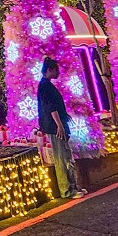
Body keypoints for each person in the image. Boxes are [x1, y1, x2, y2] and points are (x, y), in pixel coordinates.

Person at [37, 57, 86, 199]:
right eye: (56, 69)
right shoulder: (45, 86)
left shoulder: (47, 85)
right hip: (55, 127)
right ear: (49, 70)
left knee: (66, 155)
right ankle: (66, 190)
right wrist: (59, 125)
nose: (58, 72)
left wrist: (64, 117)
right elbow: (51, 107)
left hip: (58, 125)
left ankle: (73, 187)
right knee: (61, 158)